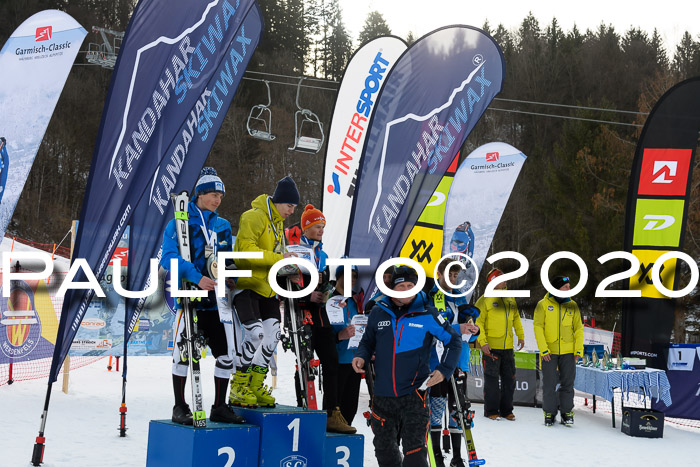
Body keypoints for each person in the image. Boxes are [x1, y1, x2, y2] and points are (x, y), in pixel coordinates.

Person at [353, 266, 462, 467]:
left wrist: (444, 369)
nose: (405, 290)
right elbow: (367, 341)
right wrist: (361, 356)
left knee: (414, 456)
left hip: (415, 395)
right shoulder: (378, 312)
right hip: (383, 396)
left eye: (410, 285)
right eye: (401, 286)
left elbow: (454, 341)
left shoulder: (428, 313)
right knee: (385, 453)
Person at [161, 167, 244, 425]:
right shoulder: (179, 222)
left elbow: (226, 260)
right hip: (189, 298)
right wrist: (196, 277)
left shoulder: (222, 225)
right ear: (199, 194)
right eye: (212, 194)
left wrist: (232, 277)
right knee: (184, 354)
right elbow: (168, 258)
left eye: (220, 195)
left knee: (226, 354)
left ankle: (219, 406)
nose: (218, 199)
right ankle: (179, 406)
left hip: (216, 302)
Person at [229, 175, 299, 408]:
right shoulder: (253, 216)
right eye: (289, 205)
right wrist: (279, 259)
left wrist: (290, 267)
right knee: (255, 335)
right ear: (278, 201)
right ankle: (238, 385)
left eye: (294, 207)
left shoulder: (279, 225)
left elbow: (279, 253)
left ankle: (255, 385)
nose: (291, 211)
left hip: (269, 289)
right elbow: (246, 250)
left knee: (272, 336)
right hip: (247, 286)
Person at [286, 204, 355, 433]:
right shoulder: (294, 248)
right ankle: (303, 406)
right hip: (299, 312)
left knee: (331, 360)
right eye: (317, 226)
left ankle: (332, 412)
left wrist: (326, 292)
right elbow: (284, 284)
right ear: (305, 227)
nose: (321, 230)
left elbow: (322, 280)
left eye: (323, 226)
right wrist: (307, 294)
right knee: (304, 363)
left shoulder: (322, 253)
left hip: (320, 314)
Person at [426, 259, 480, 467]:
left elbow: (468, 332)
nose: (453, 279)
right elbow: (433, 328)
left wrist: (473, 330)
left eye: (456, 276)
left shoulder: (459, 299)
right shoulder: (431, 297)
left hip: (459, 361)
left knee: (458, 409)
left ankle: (458, 456)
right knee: (437, 407)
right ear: (439, 273)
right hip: (437, 362)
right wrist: (459, 329)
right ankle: (437, 454)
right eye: (449, 275)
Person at [474, 268, 525, 421]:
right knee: (492, 381)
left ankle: (506, 410)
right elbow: (478, 323)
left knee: (509, 380)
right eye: (501, 278)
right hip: (491, 347)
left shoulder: (510, 298)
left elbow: (516, 318)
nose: (505, 281)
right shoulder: (484, 300)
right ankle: (491, 411)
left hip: (508, 347)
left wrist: (521, 336)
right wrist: (482, 342)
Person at [533, 275, 584, 426]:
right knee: (549, 383)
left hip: (568, 352)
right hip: (549, 352)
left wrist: (578, 350)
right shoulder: (543, 304)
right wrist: (543, 349)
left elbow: (579, 329)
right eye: (566, 287)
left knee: (568, 384)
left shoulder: (573, 305)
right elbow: (538, 327)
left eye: (569, 286)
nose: (569, 289)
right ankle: (549, 413)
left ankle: (566, 412)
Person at [329, 264, 363, 427]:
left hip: (355, 362)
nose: (352, 280)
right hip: (336, 362)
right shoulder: (328, 300)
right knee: (333, 412)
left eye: (355, 276)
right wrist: (338, 336)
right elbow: (320, 333)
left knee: (350, 410)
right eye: (348, 275)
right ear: (339, 276)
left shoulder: (356, 302)